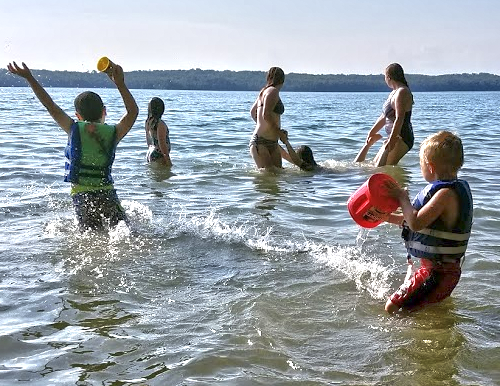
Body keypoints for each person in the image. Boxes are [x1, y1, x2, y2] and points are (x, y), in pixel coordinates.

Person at [7, 61, 139, 231]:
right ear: (104, 111)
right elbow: (133, 112)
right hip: (107, 195)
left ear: (77, 115)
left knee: (89, 238)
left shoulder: (73, 128)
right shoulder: (113, 133)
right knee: (125, 231)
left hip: (82, 196)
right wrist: (120, 84)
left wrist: (29, 78)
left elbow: (51, 107)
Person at [383, 131, 473, 313]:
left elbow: (415, 223)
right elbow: (412, 222)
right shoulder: (453, 190)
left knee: (392, 308)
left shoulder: (445, 194)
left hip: (438, 273)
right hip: (443, 271)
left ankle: (414, 339)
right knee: (422, 309)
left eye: (421, 164)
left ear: (430, 167)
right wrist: (384, 217)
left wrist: (402, 198)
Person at [358, 63, 414, 166]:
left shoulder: (402, 92)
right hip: (394, 136)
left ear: (388, 77)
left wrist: (392, 139)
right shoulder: (394, 92)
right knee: (374, 164)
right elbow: (384, 117)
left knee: (382, 168)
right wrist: (371, 132)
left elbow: (399, 118)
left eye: (384, 76)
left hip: (401, 137)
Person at [249, 67, 286, 169]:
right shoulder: (273, 91)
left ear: (268, 78)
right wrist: (279, 132)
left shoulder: (263, 92)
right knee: (269, 176)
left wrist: (262, 125)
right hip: (261, 142)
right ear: (282, 80)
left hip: (272, 143)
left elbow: (252, 112)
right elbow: (266, 115)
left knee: (276, 176)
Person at [145, 97, 171, 166]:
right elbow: (162, 143)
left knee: (154, 175)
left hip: (151, 152)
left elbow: (148, 140)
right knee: (163, 176)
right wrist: (168, 160)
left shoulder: (148, 122)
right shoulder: (160, 124)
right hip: (160, 155)